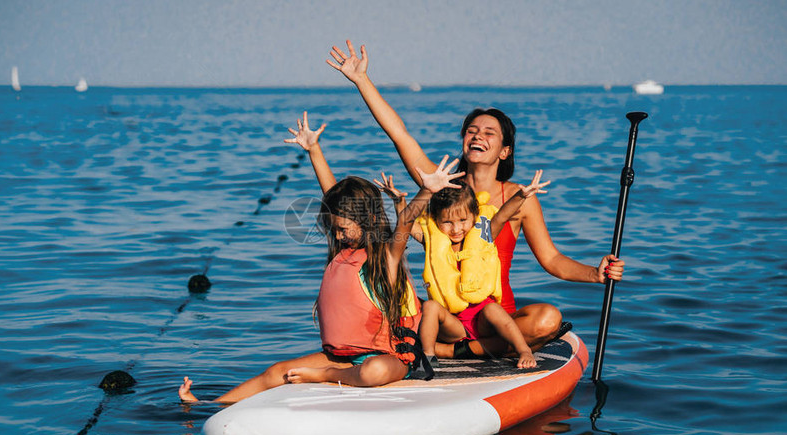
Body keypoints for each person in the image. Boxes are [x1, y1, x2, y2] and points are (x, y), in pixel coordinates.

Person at [328, 40, 625, 358]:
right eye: (471, 130)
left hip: (494, 318)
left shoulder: (519, 198)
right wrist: (362, 80)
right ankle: (475, 348)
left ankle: (456, 352)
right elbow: (399, 134)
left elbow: (552, 260)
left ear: (505, 150)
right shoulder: (440, 184)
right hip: (444, 318)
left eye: (489, 132)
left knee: (548, 319)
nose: (477, 135)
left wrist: (595, 274)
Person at [179, 113, 463, 403]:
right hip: (341, 356)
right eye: (334, 229)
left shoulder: (387, 256)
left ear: (366, 219)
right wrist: (314, 150)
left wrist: (427, 190)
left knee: (372, 372)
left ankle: (327, 375)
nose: (337, 236)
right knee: (277, 372)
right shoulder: (343, 248)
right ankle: (210, 405)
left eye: (342, 229)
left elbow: (404, 220)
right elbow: (332, 195)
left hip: (389, 357)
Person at [378, 170, 548, 369]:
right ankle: (428, 355)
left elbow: (502, 216)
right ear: (436, 220)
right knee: (430, 307)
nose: (456, 229)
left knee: (494, 309)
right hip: (453, 324)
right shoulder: (433, 240)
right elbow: (406, 224)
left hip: (482, 320)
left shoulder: (484, 234)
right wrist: (399, 202)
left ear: (474, 216)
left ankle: (523, 350)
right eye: (447, 222)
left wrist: (522, 196)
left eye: (462, 221)